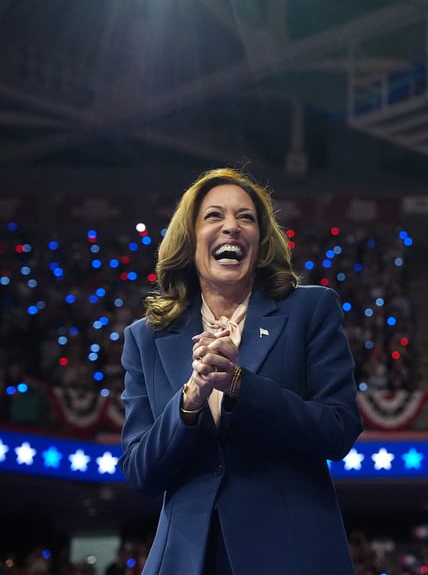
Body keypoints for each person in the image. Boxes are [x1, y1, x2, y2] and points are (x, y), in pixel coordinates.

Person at [119, 167, 363, 574]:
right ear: (190, 237)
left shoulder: (310, 309)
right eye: (214, 216)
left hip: (291, 553)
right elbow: (141, 471)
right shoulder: (146, 337)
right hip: (186, 560)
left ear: (261, 240)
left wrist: (239, 385)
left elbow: (338, 429)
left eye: (245, 217)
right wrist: (190, 400)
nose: (231, 227)